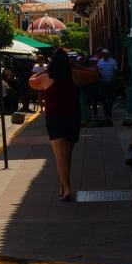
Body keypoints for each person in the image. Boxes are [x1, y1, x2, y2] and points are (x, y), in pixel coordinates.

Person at [29, 48, 82, 202]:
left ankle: (67, 189)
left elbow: (31, 80)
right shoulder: (74, 76)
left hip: (54, 118)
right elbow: (95, 75)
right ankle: (63, 186)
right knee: (67, 155)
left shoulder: (45, 78)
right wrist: (76, 67)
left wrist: (45, 69)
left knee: (60, 155)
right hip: (73, 117)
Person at [95, 49, 118, 117]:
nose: (104, 55)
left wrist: (113, 79)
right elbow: (98, 70)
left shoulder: (113, 61)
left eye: (105, 53)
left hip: (110, 81)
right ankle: (105, 107)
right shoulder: (99, 61)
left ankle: (109, 110)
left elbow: (115, 70)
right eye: (102, 54)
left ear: (108, 54)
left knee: (110, 97)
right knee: (102, 96)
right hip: (102, 81)